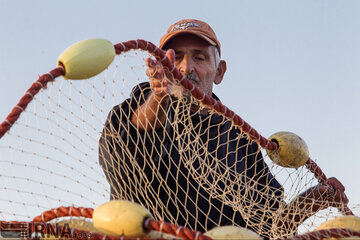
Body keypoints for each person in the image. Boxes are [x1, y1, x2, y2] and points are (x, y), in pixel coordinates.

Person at [99, 19, 349, 238]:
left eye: (199, 57)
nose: (186, 68)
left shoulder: (241, 139)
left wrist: (309, 202)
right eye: (176, 57)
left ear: (219, 72)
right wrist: (158, 98)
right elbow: (127, 150)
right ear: (162, 65)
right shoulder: (133, 111)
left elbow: (271, 225)